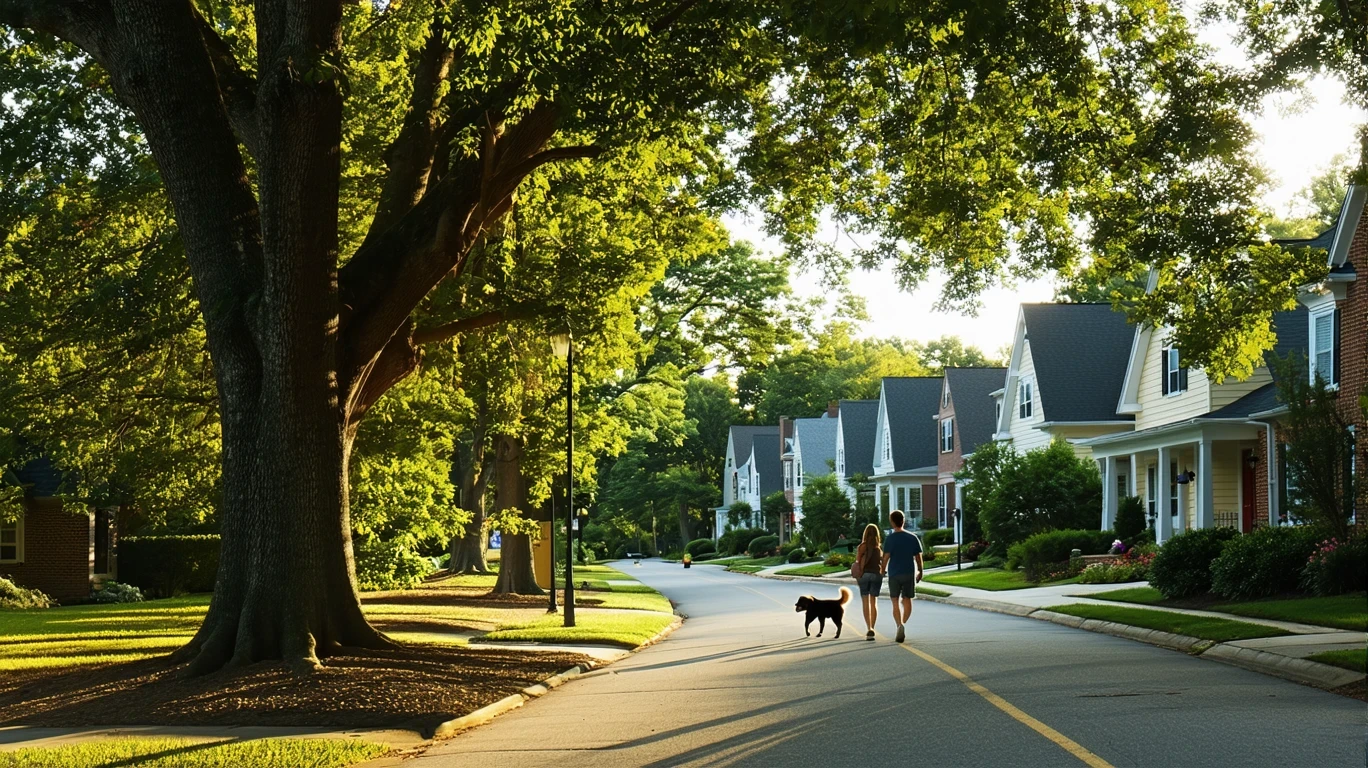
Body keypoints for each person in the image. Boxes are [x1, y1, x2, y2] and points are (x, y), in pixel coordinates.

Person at [880, 509, 923, 643]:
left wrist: (882, 571)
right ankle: (903, 623)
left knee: (894, 601)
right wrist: (920, 571)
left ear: (892, 522)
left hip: (894, 573)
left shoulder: (890, 539)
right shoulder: (912, 537)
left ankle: (899, 625)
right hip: (908, 572)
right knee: (907, 599)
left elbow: (885, 557)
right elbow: (918, 557)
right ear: (903, 521)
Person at [854, 523, 883, 640]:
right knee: (873, 602)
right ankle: (873, 627)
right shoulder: (878, 548)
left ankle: (869, 628)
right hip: (876, 575)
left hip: (864, 575)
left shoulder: (862, 546)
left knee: (865, 602)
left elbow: (857, 561)